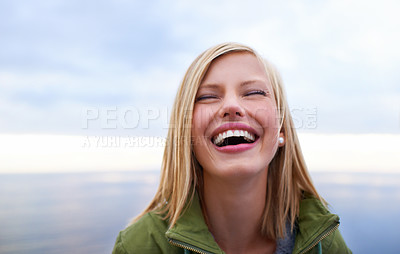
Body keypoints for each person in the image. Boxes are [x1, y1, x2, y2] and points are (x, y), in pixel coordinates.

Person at [112, 42, 352, 254]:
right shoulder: (140, 246)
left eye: (254, 92)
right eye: (207, 97)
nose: (231, 105)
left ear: (282, 131)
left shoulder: (324, 244)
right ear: (186, 134)